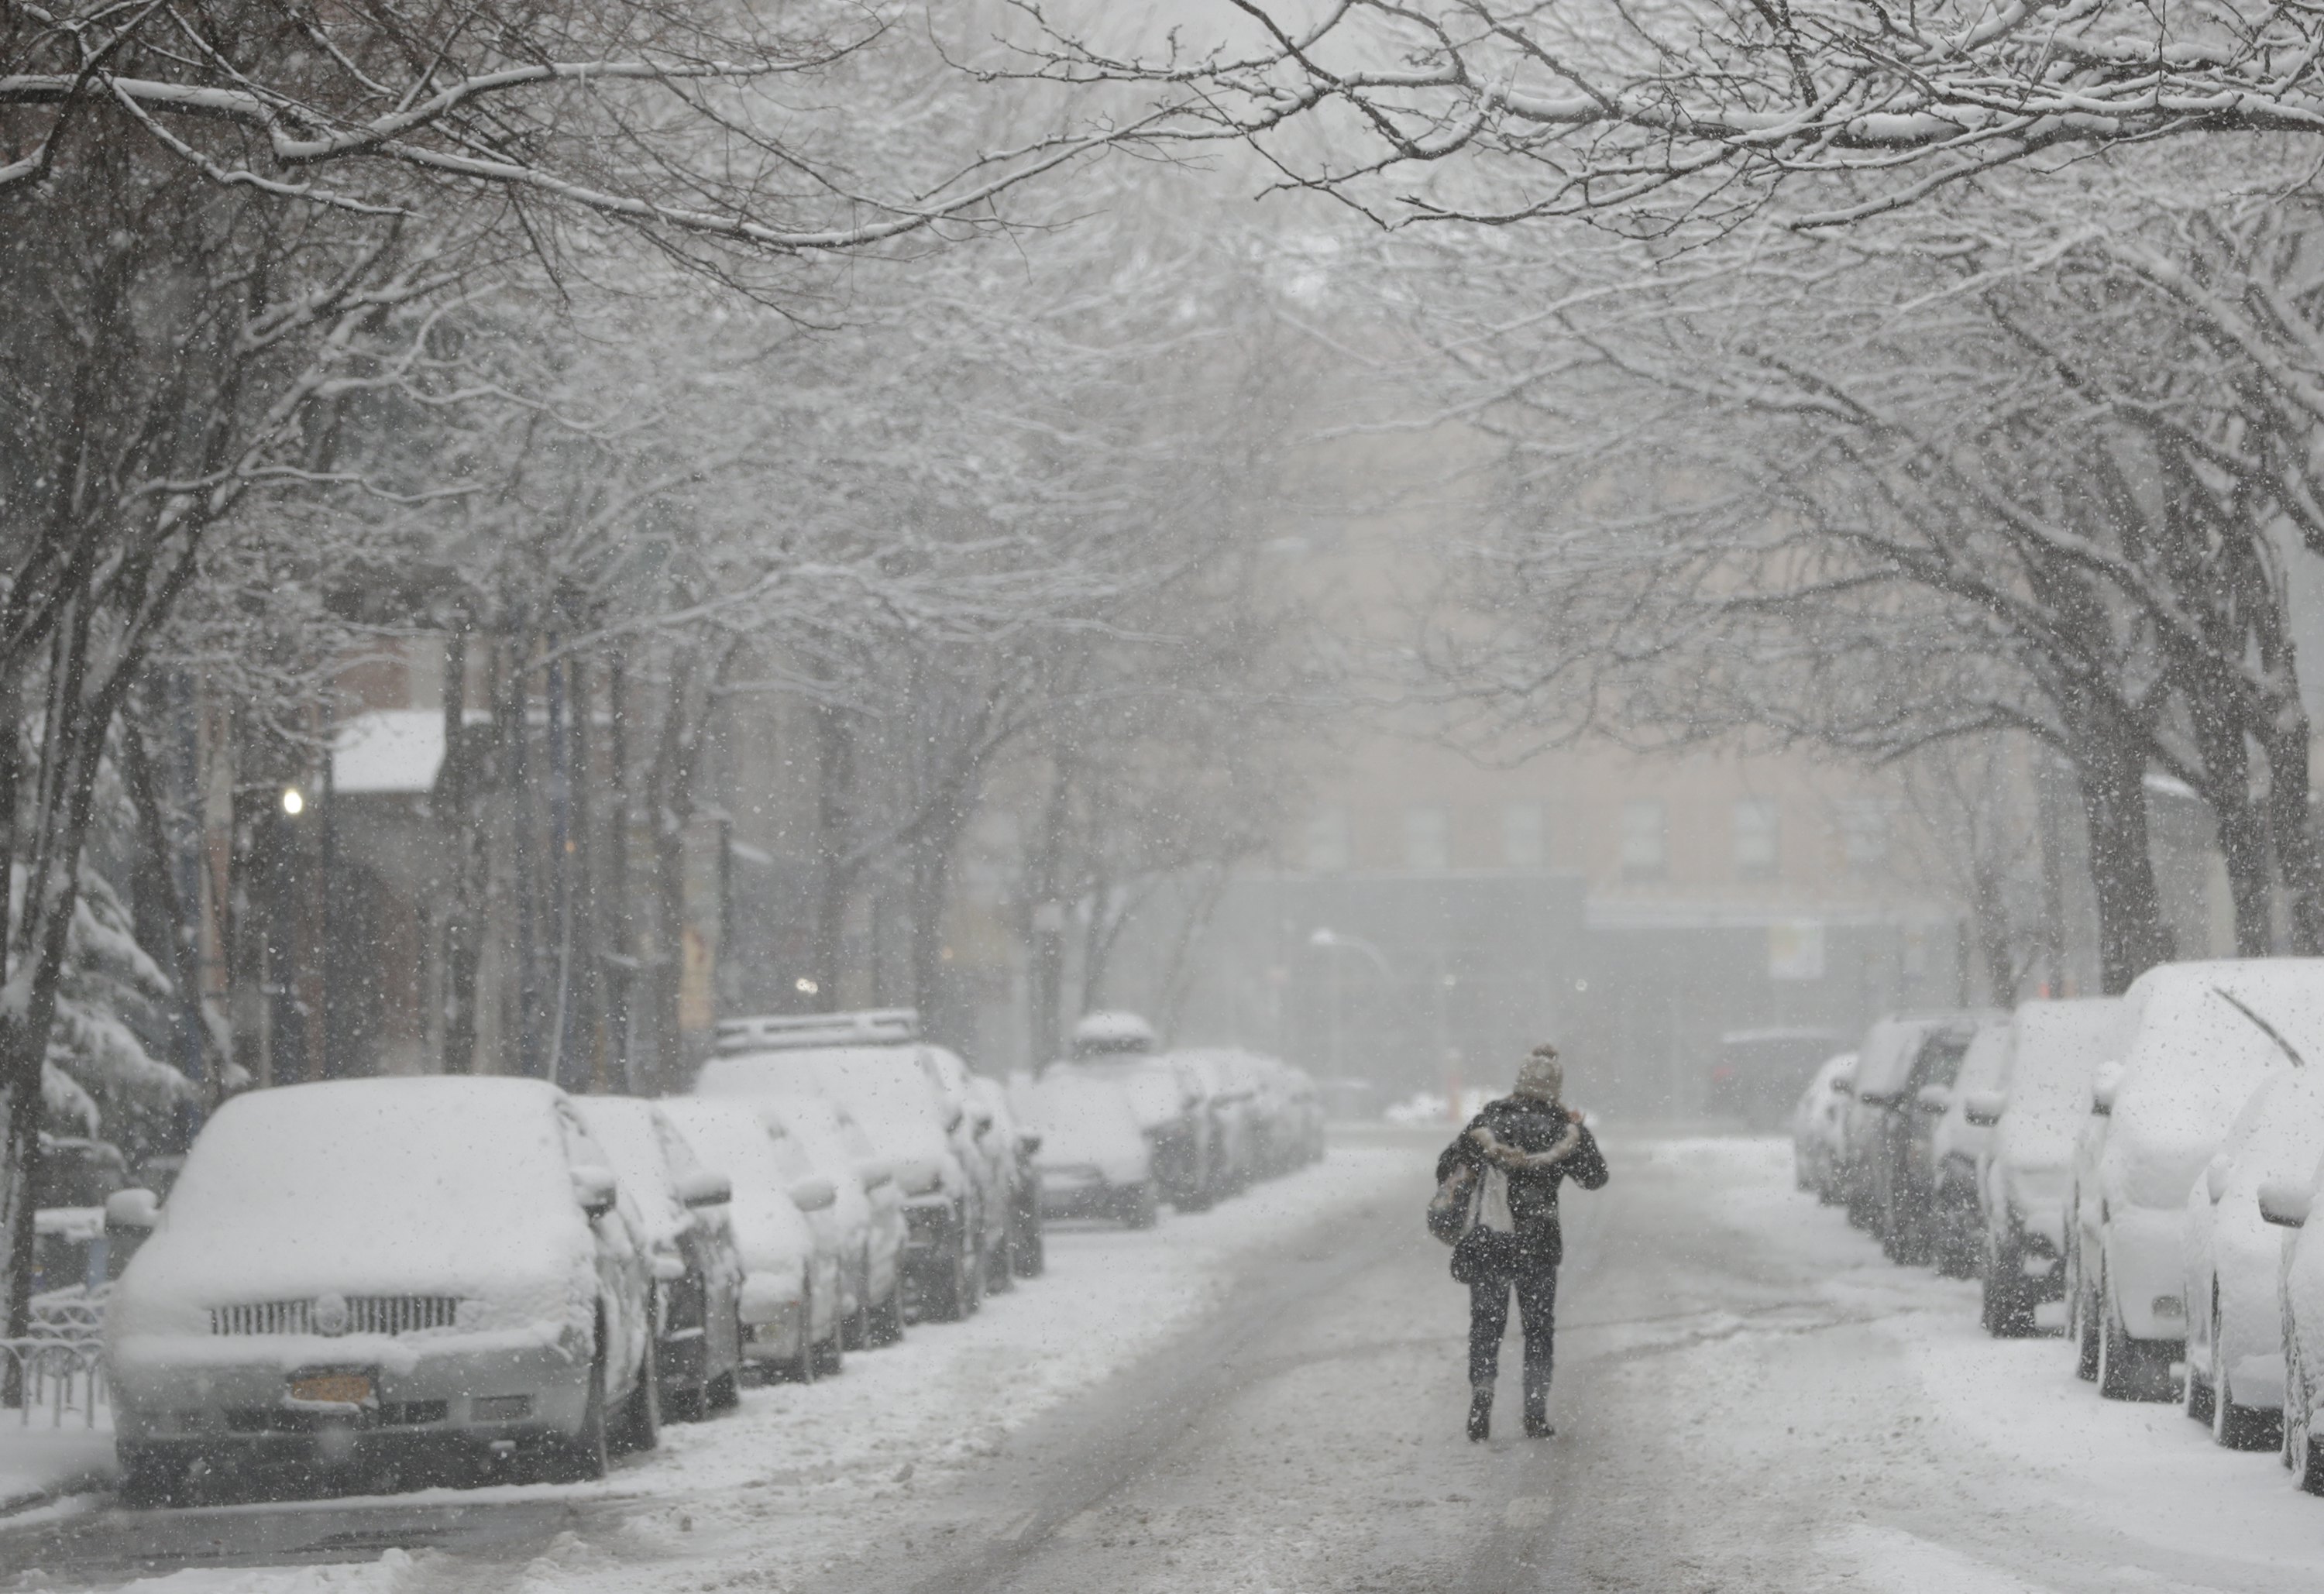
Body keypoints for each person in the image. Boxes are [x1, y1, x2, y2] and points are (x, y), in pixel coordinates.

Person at [1436, 1043, 1608, 1441]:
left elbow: (1446, 1167)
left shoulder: (1489, 1122)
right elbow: (1595, 1178)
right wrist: (1580, 1132)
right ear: (1556, 1088)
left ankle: (1482, 1398)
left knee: (1486, 1325)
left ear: (1519, 1081)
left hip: (1492, 1239)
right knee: (1537, 1328)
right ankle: (1535, 1412)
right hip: (1539, 1240)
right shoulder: (1562, 1129)